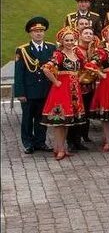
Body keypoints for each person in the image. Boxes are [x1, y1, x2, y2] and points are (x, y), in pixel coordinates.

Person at [40, 27, 88, 160]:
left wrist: (81, 78)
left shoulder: (77, 54)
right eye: (67, 40)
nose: (69, 42)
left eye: (72, 40)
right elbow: (46, 68)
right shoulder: (59, 55)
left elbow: (85, 68)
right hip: (62, 90)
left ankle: (60, 148)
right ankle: (60, 149)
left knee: (67, 121)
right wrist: (56, 82)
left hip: (73, 90)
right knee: (59, 121)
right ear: (62, 41)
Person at [14, 16, 57, 154]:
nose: (38, 33)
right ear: (30, 33)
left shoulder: (51, 47)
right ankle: (28, 143)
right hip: (29, 90)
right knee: (27, 118)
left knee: (42, 118)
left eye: (41, 31)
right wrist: (20, 93)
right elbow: (19, 73)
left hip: (45, 90)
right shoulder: (23, 50)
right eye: (35, 31)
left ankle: (40, 142)